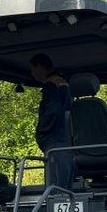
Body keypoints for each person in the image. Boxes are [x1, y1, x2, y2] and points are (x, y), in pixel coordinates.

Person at [29, 53, 75, 189]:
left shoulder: (51, 86)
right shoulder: (64, 85)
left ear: (39, 67)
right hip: (67, 143)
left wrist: (42, 131)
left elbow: (54, 110)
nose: (32, 74)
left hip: (54, 143)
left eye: (33, 70)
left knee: (54, 189)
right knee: (65, 189)